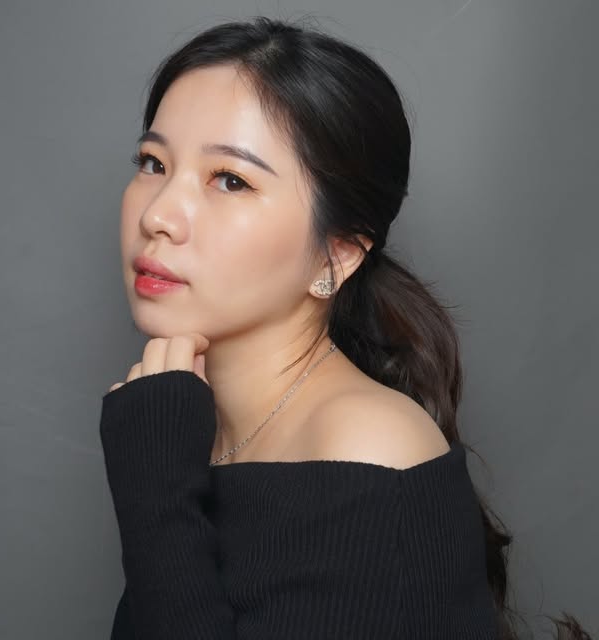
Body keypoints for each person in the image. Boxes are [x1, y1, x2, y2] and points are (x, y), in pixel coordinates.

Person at [99, 16, 593, 640]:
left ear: (337, 255)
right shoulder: (195, 425)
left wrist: (156, 493)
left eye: (230, 180)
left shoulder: (370, 448)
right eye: (152, 162)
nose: (160, 215)